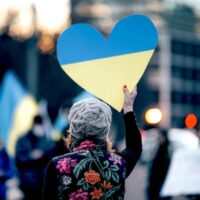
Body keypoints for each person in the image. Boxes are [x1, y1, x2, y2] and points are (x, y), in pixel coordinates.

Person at [43, 86, 142, 200]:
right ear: (105, 129)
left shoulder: (57, 165)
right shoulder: (117, 164)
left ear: (73, 128)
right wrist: (128, 107)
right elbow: (135, 147)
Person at [15, 115, 55, 200]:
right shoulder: (22, 140)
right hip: (28, 182)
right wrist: (31, 156)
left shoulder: (45, 140)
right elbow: (18, 159)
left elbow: (52, 156)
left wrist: (43, 154)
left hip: (42, 182)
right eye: (39, 125)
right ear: (33, 125)